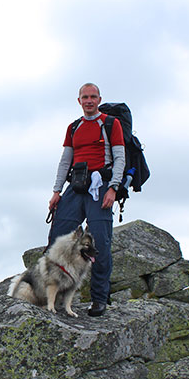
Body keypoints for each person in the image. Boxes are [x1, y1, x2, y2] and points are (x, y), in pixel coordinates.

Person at [47, 83, 126, 317]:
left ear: (99, 99)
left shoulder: (111, 124)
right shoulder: (74, 127)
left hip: (101, 187)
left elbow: (120, 158)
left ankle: (99, 299)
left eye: (93, 97)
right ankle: (53, 294)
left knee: (99, 243)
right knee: (58, 238)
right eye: (85, 97)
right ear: (79, 100)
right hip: (76, 186)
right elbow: (65, 161)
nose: (89, 100)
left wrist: (113, 189)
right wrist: (57, 191)